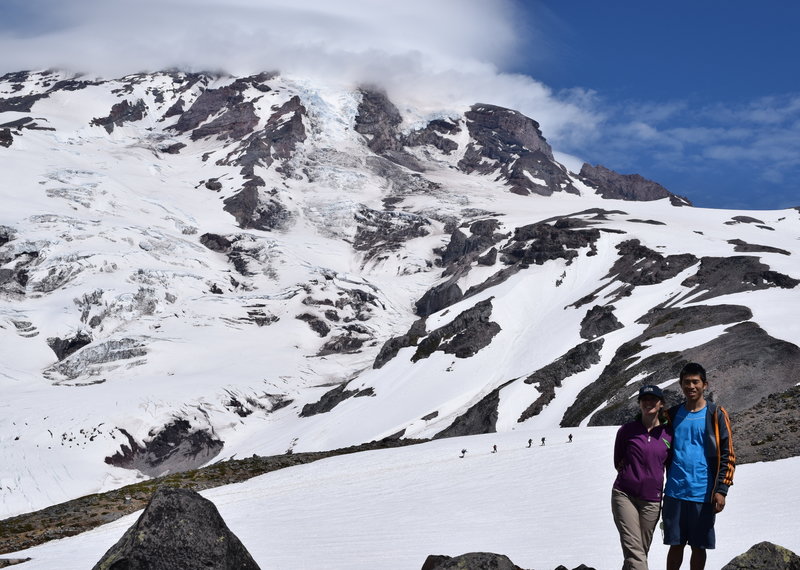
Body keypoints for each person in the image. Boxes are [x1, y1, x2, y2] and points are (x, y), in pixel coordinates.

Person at [663, 363, 735, 570]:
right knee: (675, 545)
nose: (691, 386)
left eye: (696, 382)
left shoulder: (716, 414)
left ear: (705, 384)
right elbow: (647, 429)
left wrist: (721, 490)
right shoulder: (671, 415)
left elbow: (728, 454)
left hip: (703, 494)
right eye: (687, 382)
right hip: (675, 493)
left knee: (698, 546)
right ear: (681, 385)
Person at [612, 384, 672, 570]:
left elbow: (669, 466)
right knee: (635, 551)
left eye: (653, 399)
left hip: (652, 501)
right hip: (624, 495)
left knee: (638, 552)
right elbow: (618, 461)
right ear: (639, 404)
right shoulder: (627, 431)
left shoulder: (669, 434)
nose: (649, 403)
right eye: (644, 399)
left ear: (661, 404)